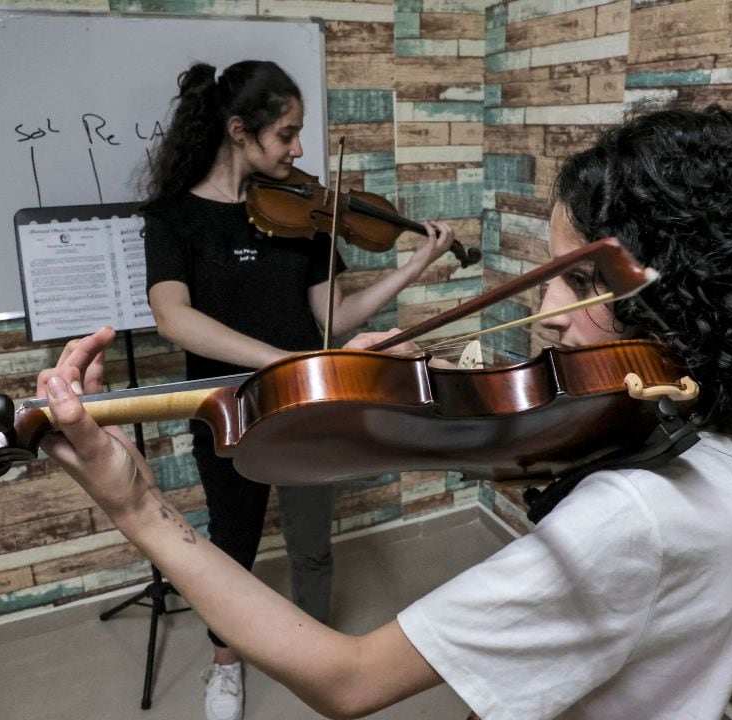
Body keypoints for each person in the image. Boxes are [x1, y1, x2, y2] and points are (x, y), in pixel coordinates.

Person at [43, 105, 732, 719]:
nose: (544, 311)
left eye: (580, 282)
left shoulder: (635, 520)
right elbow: (579, 453)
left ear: (689, 304)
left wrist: (139, 508)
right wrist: (425, 386)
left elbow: (348, 679)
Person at [139, 60, 455, 720]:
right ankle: (226, 666)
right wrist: (282, 361)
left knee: (313, 542)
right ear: (238, 132)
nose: (298, 149)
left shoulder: (304, 211)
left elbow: (333, 319)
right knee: (233, 540)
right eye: (286, 134)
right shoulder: (174, 218)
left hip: (307, 404)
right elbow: (175, 317)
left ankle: (318, 660)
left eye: (298, 134)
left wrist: (414, 264)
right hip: (227, 407)